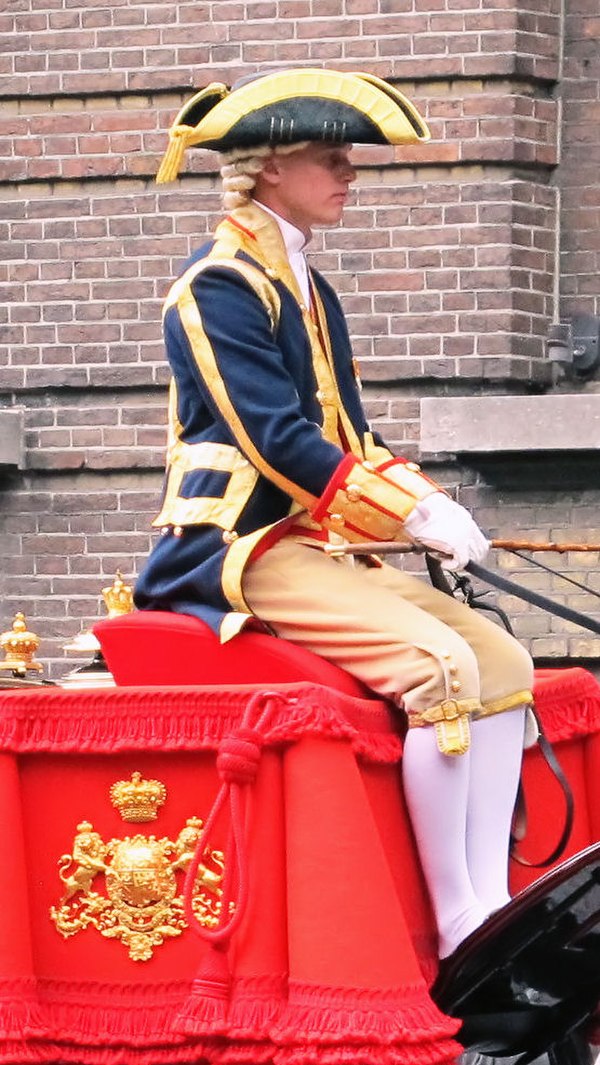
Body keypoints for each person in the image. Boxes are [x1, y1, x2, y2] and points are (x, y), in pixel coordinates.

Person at [134, 68, 534, 966]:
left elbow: (352, 433)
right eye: (330, 157)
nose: (348, 172)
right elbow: (277, 439)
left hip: (318, 542)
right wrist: (409, 511)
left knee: (503, 659)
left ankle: (496, 900)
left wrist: (428, 502)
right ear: (271, 169)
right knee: (440, 666)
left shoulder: (308, 284)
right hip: (235, 546)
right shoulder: (217, 287)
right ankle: (456, 917)